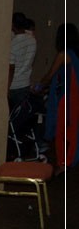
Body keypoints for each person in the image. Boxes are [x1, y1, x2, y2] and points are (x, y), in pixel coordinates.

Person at [44, 23, 79, 172]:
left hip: (67, 98)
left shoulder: (64, 54)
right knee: (73, 129)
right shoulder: (75, 53)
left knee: (61, 130)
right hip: (74, 96)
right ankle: (70, 159)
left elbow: (50, 75)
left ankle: (64, 162)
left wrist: (38, 86)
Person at [9, 12, 37, 110]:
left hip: (14, 85)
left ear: (13, 25)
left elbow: (11, 68)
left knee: (12, 115)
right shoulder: (32, 40)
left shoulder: (13, 44)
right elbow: (28, 32)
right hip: (25, 83)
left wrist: (7, 88)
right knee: (22, 114)